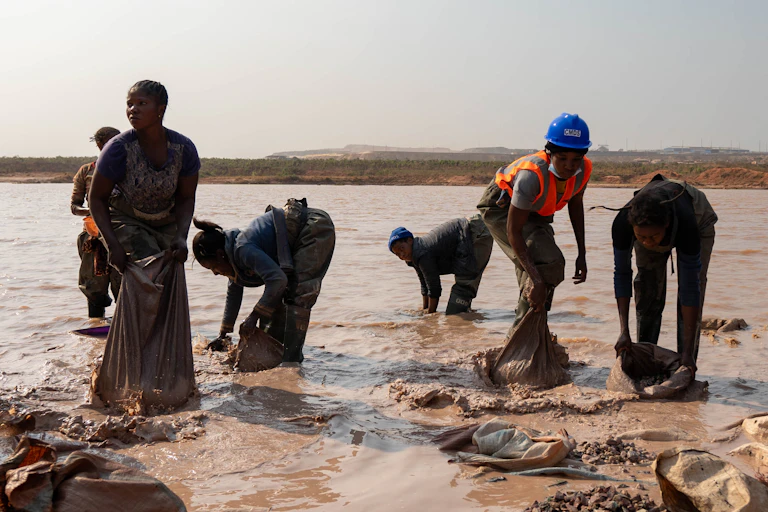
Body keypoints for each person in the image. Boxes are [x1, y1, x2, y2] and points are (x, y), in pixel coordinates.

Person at [477, 113, 592, 326]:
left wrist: (582, 254)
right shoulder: (532, 175)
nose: (569, 166)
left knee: (550, 266)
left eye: (576, 159)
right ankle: (521, 332)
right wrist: (537, 281)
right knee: (542, 264)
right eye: (562, 159)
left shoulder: (582, 170)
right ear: (550, 153)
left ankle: (536, 327)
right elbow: (514, 232)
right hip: (501, 209)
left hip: (536, 211)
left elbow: (576, 206)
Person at [192, 198, 335, 363]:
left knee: (298, 293)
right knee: (272, 300)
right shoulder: (233, 255)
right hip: (298, 232)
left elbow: (278, 280)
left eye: (212, 268)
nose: (216, 273)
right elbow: (234, 293)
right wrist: (223, 335)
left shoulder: (242, 249)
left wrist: (253, 317)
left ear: (219, 255)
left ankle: (291, 361)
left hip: (313, 228)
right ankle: (276, 356)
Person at [88, 80, 200, 278]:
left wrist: (181, 237)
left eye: (142, 103)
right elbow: (96, 198)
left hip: (165, 220)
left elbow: (186, 197)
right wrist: (113, 245)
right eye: (130, 104)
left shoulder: (183, 148)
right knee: (148, 266)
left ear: (160, 109)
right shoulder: (117, 149)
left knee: (169, 274)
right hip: (125, 219)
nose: (133, 109)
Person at [612, 175, 717, 375]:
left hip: (699, 219)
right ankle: (646, 357)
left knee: (692, 289)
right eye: (641, 237)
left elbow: (690, 288)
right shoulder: (622, 224)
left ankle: (686, 359)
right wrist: (623, 332)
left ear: (666, 225)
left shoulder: (687, 225)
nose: (648, 242)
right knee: (648, 287)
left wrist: (687, 354)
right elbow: (622, 275)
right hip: (653, 217)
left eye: (653, 236)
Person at [389, 215, 493, 314]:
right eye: (397, 254)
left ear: (410, 241)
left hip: (475, 232)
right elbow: (424, 284)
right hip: (470, 232)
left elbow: (434, 287)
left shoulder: (422, 253)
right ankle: (468, 313)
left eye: (401, 249)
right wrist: (424, 309)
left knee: (459, 300)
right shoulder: (415, 256)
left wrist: (430, 315)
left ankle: (464, 312)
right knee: (460, 307)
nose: (401, 255)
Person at [70, 127, 121, 317]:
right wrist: (95, 210)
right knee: (93, 288)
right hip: (94, 236)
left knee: (124, 286)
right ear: (100, 145)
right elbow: (74, 206)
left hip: (123, 234)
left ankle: (124, 328)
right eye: (109, 142)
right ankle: (96, 329)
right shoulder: (87, 171)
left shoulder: (130, 169)